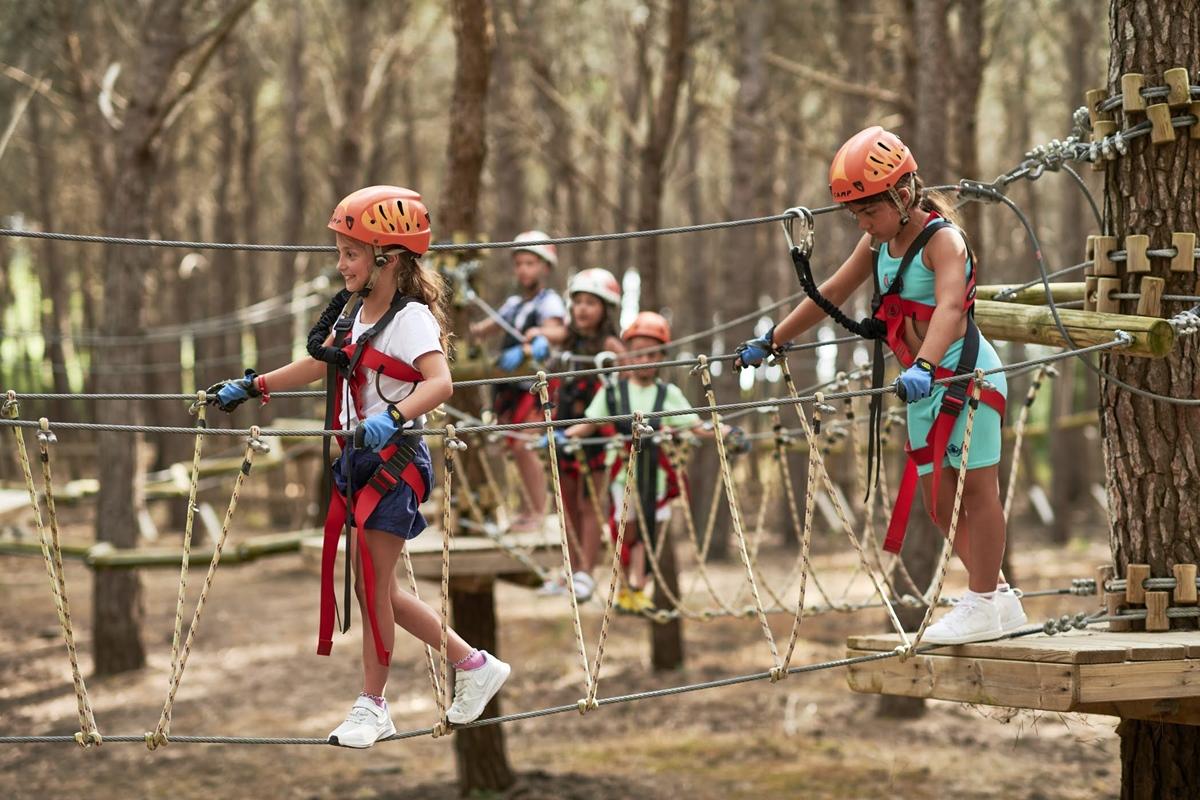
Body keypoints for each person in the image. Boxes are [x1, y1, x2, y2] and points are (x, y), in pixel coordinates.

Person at [209, 186, 510, 748]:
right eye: (341, 251)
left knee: (374, 586)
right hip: (358, 462)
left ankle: (373, 705)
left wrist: (392, 416)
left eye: (350, 252)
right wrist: (256, 386)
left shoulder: (411, 318)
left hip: (393, 461)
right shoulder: (355, 315)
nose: (340, 263)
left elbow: (441, 382)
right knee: (378, 588)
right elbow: (318, 364)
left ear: (386, 258)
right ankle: (472, 664)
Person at [735, 127, 1025, 645]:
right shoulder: (876, 243)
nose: (864, 222)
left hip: (965, 377)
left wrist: (927, 366)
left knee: (975, 491)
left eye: (871, 210)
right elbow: (830, 292)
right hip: (924, 383)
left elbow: (953, 308)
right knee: (939, 500)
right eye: (857, 214)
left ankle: (981, 600)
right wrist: (773, 339)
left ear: (904, 192)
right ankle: (997, 597)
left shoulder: (944, 240)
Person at [564, 312, 736, 612]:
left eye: (653, 352)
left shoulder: (667, 394)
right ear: (628, 355)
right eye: (639, 352)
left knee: (651, 530)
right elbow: (589, 422)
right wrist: (560, 436)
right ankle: (624, 586)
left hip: (656, 474)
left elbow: (695, 426)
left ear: (661, 357)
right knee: (626, 528)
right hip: (623, 475)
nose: (645, 359)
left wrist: (729, 432)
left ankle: (638, 586)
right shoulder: (614, 391)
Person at [534, 268, 625, 601]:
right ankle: (570, 571)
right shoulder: (567, 341)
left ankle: (586, 571)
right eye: (578, 302)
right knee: (567, 505)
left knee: (590, 505)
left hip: (594, 434)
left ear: (606, 308)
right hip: (562, 429)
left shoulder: (610, 345)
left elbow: (624, 382)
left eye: (591, 303)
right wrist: (539, 340)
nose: (583, 309)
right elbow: (537, 333)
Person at [469, 231, 567, 532]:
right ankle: (526, 509)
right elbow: (484, 328)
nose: (524, 269)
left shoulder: (548, 302)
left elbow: (559, 332)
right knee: (514, 447)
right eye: (520, 263)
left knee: (526, 445)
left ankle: (538, 511)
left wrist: (534, 340)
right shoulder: (513, 304)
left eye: (531, 263)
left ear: (545, 268)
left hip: (537, 386)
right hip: (512, 388)